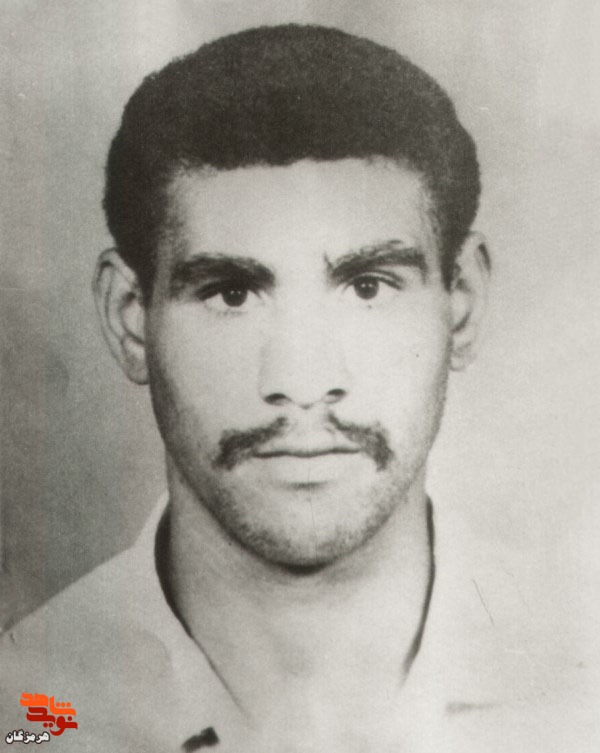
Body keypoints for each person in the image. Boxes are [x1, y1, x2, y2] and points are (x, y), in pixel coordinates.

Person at [0, 23, 588, 753]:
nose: (303, 382)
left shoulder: (583, 681)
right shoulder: (27, 713)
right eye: (231, 294)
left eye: (368, 287)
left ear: (460, 303)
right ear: (130, 319)